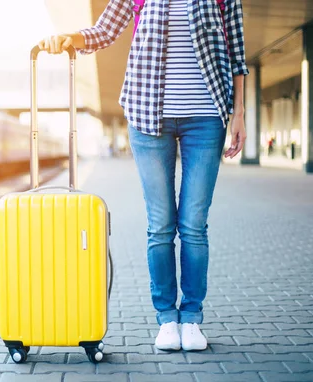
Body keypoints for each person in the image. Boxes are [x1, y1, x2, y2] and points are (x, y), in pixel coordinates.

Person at [37, 0, 248, 351]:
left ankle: (192, 317)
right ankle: (166, 318)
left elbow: (237, 53)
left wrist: (238, 113)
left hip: (206, 117)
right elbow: (104, 31)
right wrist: (67, 38)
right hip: (148, 117)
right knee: (161, 224)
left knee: (194, 224)